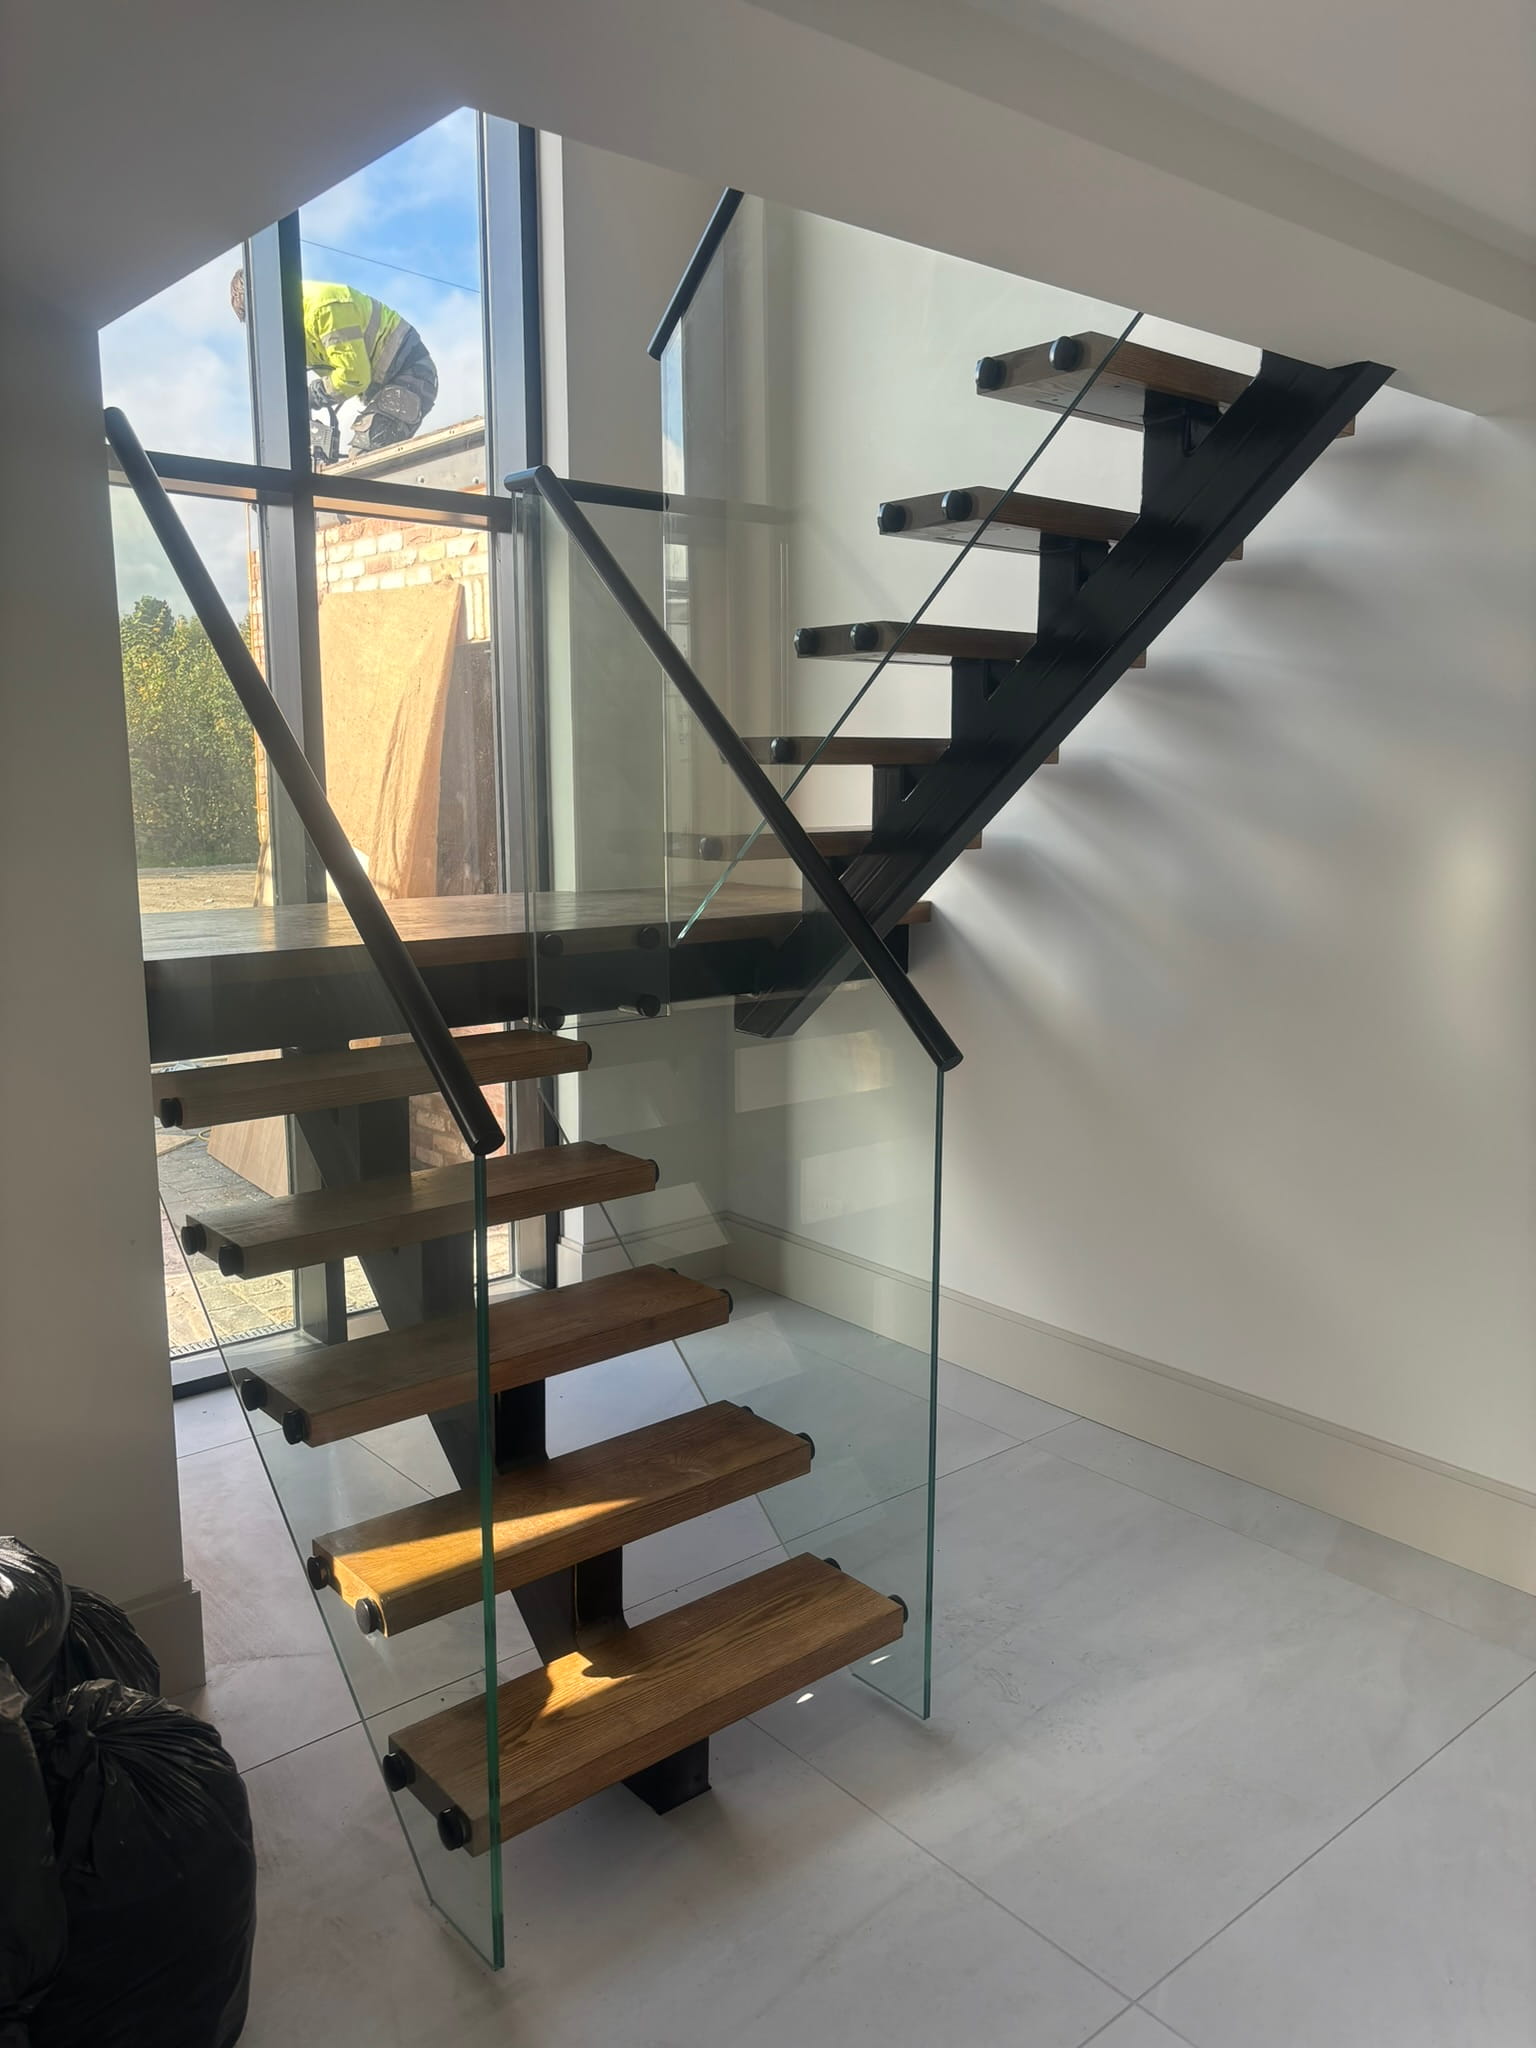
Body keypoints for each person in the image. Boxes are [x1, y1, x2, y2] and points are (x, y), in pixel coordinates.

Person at [229, 271, 438, 459]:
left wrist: (313, 394)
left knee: (365, 456)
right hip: (382, 386)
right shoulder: (292, 328)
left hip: (412, 373)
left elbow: (354, 376)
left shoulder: (324, 308)